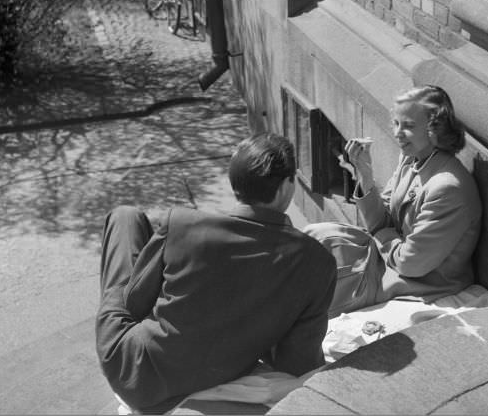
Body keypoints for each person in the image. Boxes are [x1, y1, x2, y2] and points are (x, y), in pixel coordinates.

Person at [96, 133, 337, 414]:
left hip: (133, 373)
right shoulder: (317, 262)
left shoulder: (183, 224)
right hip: (215, 374)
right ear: (286, 187)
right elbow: (296, 359)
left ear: (234, 185)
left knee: (124, 218)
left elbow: (134, 302)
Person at [306, 85, 482, 318]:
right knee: (315, 237)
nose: (398, 133)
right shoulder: (412, 158)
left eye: (408, 126)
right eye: (397, 123)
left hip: (415, 281)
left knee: (315, 291)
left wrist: (381, 234)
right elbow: (382, 218)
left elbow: (410, 263)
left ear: (435, 130)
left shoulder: (448, 188)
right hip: (385, 257)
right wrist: (365, 175)